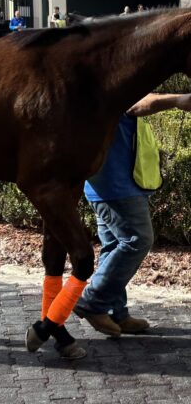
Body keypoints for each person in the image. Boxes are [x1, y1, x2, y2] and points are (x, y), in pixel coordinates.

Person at [74, 92, 191, 337]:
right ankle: (92, 301)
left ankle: (117, 312)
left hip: (109, 185)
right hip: (115, 187)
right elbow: (136, 103)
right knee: (138, 240)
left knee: (114, 246)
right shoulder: (112, 84)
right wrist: (177, 100)